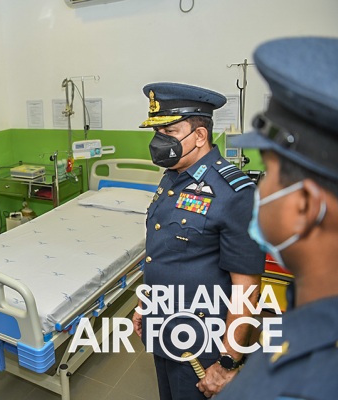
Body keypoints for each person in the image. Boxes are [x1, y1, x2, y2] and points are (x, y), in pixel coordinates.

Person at [216, 37, 338, 399]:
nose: (260, 188)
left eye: (267, 173)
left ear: (303, 205)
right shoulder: (308, 316)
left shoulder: (294, 387)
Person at [131, 83, 266, 399]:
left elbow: (247, 287)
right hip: (162, 324)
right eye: (157, 131)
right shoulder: (172, 176)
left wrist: (228, 361)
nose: (159, 140)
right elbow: (163, 252)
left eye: (170, 131)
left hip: (202, 341)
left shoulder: (234, 193)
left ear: (200, 136)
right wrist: (145, 303)